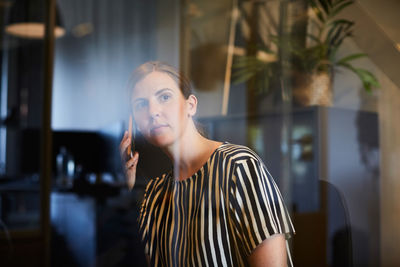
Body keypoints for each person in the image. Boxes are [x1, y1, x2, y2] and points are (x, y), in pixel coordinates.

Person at [119, 61, 295, 266]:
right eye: (141, 104)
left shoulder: (238, 166)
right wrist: (124, 190)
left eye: (164, 97)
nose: (153, 111)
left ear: (191, 105)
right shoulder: (155, 193)